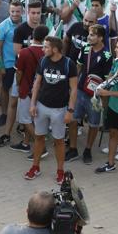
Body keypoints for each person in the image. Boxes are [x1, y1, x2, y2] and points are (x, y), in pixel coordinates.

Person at [27, 36, 78, 184]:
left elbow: (74, 89)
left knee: (59, 141)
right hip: (42, 106)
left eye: (46, 47)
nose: (43, 49)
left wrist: (70, 110)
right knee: (38, 137)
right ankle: (35, 167)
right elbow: (37, 83)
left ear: (55, 49)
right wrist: (32, 104)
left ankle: (60, 171)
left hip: (60, 109)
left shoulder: (69, 64)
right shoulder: (43, 61)